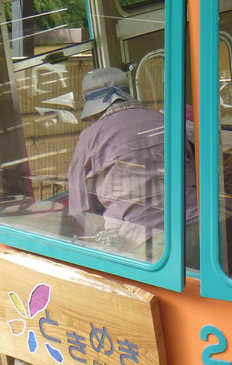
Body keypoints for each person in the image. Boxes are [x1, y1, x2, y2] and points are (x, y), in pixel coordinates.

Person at [67, 67, 198, 258]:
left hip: (145, 240)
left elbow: (81, 207)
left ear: (94, 109)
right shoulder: (163, 120)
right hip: (198, 226)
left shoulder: (91, 137)